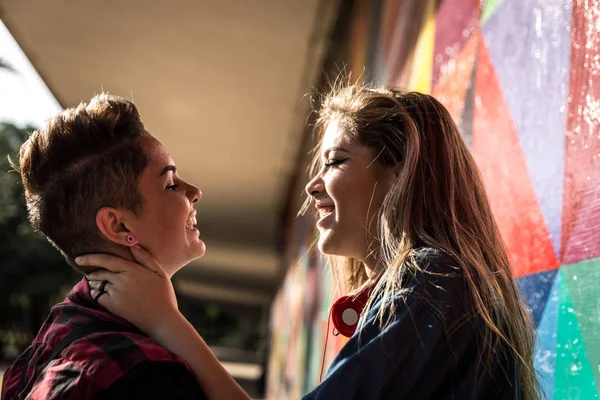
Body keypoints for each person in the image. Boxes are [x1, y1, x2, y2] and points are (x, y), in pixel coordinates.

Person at [80, 84, 540, 399]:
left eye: (335, 161)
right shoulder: (434, 285)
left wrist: (166, 321)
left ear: (401, 170)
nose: (312, 187)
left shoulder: (435, 282)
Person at [0, 94, 237, 399]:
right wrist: (169, 323)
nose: (195, 192)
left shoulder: (46, 346)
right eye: (170, 184)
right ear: (119, 226)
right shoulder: (146, 376)